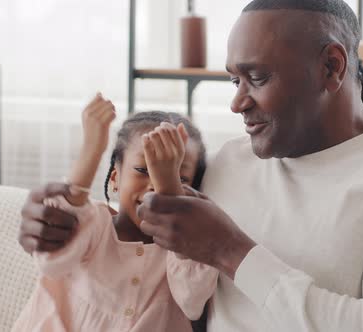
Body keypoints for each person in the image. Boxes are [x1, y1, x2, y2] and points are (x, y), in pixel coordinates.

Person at [19, 0, 363, 331]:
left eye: (257, 77)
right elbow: (129, 241)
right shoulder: (230, 162)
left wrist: (231, 251)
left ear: (332, 67)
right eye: (235, 79)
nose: (238, 102)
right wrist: (54, 217)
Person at [13, 96, 218, 331]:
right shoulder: (95, 226)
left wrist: (169, 189)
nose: (155, 184)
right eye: (143, 169)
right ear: (115, 179)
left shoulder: (187, 255)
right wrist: (92, 149)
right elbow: (51, 259)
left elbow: (192, 300)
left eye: (179, 177)